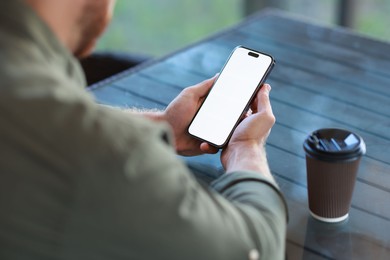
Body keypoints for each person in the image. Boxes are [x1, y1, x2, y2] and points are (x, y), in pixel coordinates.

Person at [0, 0, 288, 259]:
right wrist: (245, 147)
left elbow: (45, 119)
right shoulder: (108, 157)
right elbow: (254, 247)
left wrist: (164, 127)